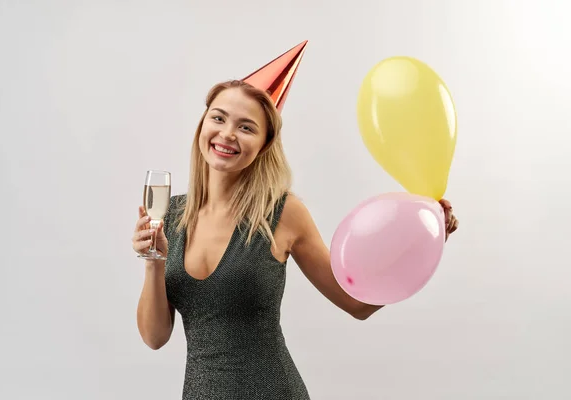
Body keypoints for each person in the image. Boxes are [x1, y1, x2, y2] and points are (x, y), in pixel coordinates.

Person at [131, 44, 459, 400]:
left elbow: (357, 305)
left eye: (246, 127)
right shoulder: (171, 215)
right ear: (203, 123)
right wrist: (154, 261)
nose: (227, 134)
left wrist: (420, 241)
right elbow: (154, 337)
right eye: (219, 117)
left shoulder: (283, 213)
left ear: (264, 143)